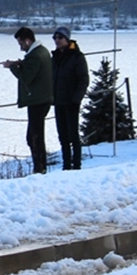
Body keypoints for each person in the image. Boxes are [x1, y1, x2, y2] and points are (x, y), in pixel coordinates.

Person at [3, 27, 53, 174]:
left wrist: (12, 67)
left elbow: (26, 78)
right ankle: (40, 167)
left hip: (37, 100)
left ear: (27, 40)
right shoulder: (41, 51)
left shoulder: (35, 56)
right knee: (33, 136)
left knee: (35, 137)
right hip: (42, 99)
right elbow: (33, 69)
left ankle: (40, 168)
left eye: (21, 43)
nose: (20, 47)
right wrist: (21, 64)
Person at [51, 25, 89, 170]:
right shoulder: (54, 57)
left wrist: (76, 99)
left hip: (72, 102)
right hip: (58, 101)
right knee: (62, 136)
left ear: (67, 39)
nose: (57, 40)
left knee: (73, 135)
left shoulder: (77, 57)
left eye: (60, 37)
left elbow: (83, 80)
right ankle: (66, 165)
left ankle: (77, 165)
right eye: (55, 37)